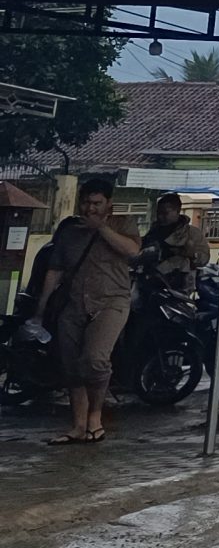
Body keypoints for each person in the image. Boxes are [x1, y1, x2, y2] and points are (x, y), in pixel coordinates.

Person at [35, 177, 140, 445]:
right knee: (71, 365)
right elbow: (55, 269)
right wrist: (42, 305)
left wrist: (101, 228)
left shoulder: (123, 225)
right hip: (74, 303)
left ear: (108, 205)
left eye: (97, 203)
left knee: (94, 359)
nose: (90, 208)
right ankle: (79, 425)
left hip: (111, 302)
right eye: (86, 202)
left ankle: (96, 418)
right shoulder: (69, 231)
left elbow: (131, 251)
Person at [139, 193, 209, 301]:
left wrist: (191, 254)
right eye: (158, 213)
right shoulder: (153, 231)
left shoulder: (191, 233)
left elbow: (204, 258)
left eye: (165, 213)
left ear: (177, 211)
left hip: (180, 286)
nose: (160, 216)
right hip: (150, 282)